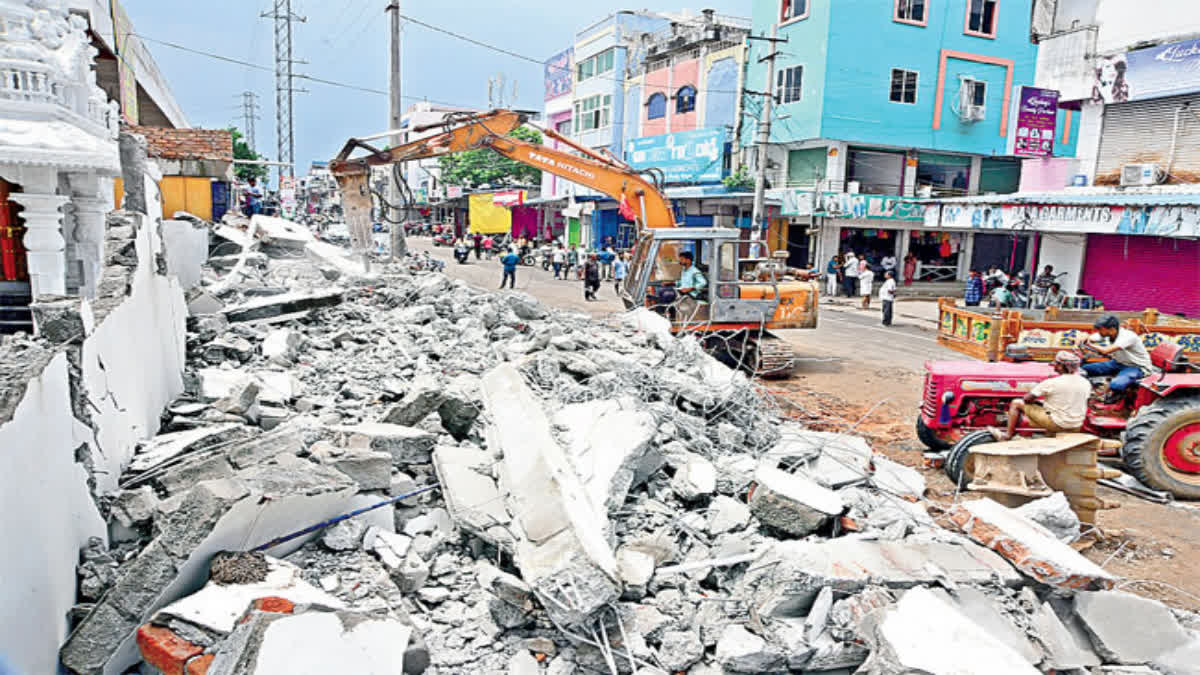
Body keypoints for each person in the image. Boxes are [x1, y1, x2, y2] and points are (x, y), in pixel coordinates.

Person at [993, 351, 1090, 441]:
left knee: (1016, 403)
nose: (1054, 366)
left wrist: (1037, 401)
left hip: (1057, 423)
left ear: (1061, 366)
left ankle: (1008, 435)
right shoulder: (1085, 382)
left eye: (1056, 363)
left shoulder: (1051, 382)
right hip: (1076, 425)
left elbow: (1027, 399)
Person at [1081, 315, 1158, 403]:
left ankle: (1118, 398)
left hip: (1137, 367)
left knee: (1116, 385)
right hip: (1118, 363)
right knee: (1084, 369)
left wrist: (1089, 344)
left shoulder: (1128, 336)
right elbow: (1092, 338)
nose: (1098, 332)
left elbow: (1106, 351)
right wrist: (1084, 337)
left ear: (1112, 329)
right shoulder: (1106, 334)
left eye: (1100, 329)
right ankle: (1092, 391)